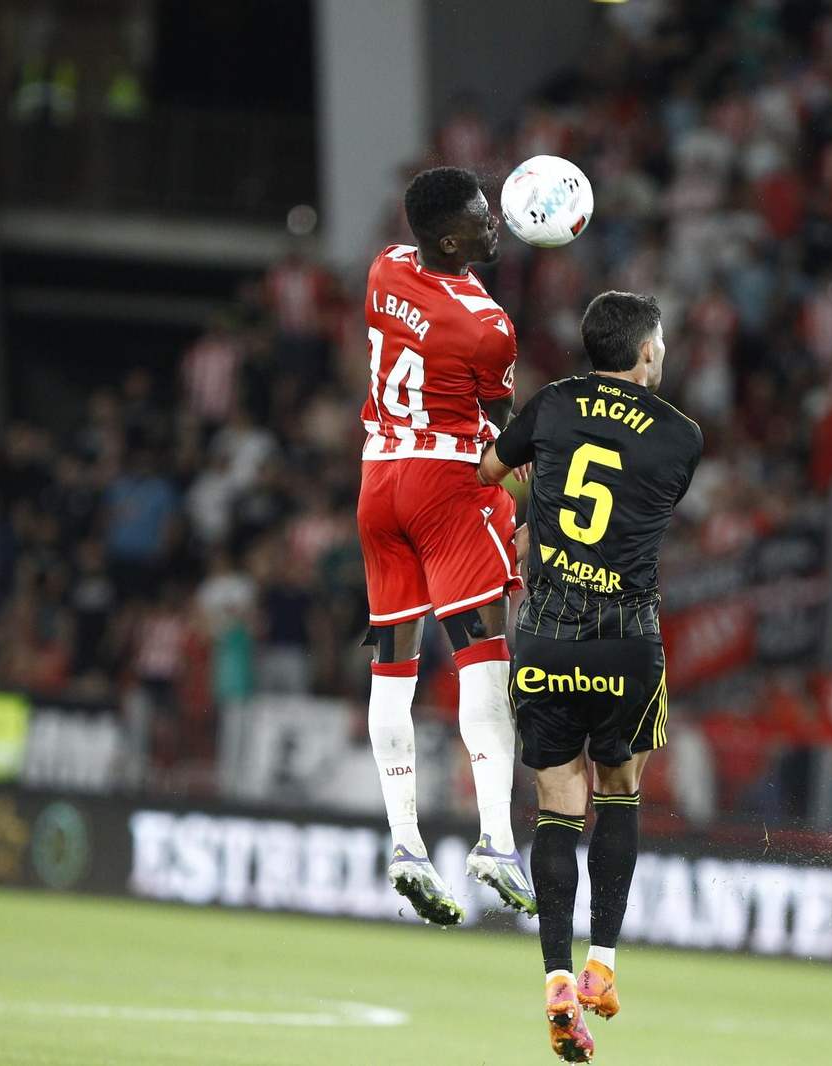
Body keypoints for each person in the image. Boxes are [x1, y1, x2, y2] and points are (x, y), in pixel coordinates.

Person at [478, 291, 703, 1063]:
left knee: (555, 807)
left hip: (545, 635)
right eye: (662, 343)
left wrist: (532, 495)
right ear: (645, 352)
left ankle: (554, 979)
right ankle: (603, 965)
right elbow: (644, 506)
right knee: (620, 791)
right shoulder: (681, 436)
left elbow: (488, 472)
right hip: (624, 640)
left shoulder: (551, 404)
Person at [357, 166, 532, 924]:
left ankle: (405, 842)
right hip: (444, 486)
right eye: (482, 217)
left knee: (391, 671)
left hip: (377, 480)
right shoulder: (486, 323)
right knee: (483, 664)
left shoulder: (384, 268)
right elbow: (502, 422)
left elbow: (409, 287)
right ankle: (495, 838)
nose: (496, 223)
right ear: (453, 237)